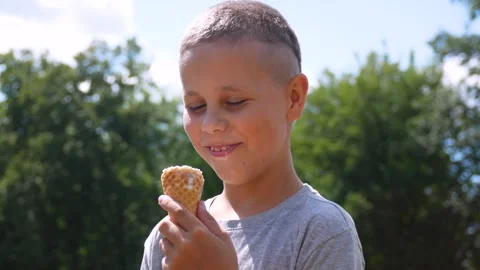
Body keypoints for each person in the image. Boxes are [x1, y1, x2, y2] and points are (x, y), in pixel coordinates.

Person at [140, 1, 365, 269]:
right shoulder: (170, 239)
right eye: (195, 106)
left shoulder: (321, 231)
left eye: (234, 101)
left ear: (293, 98)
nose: (211, 124)